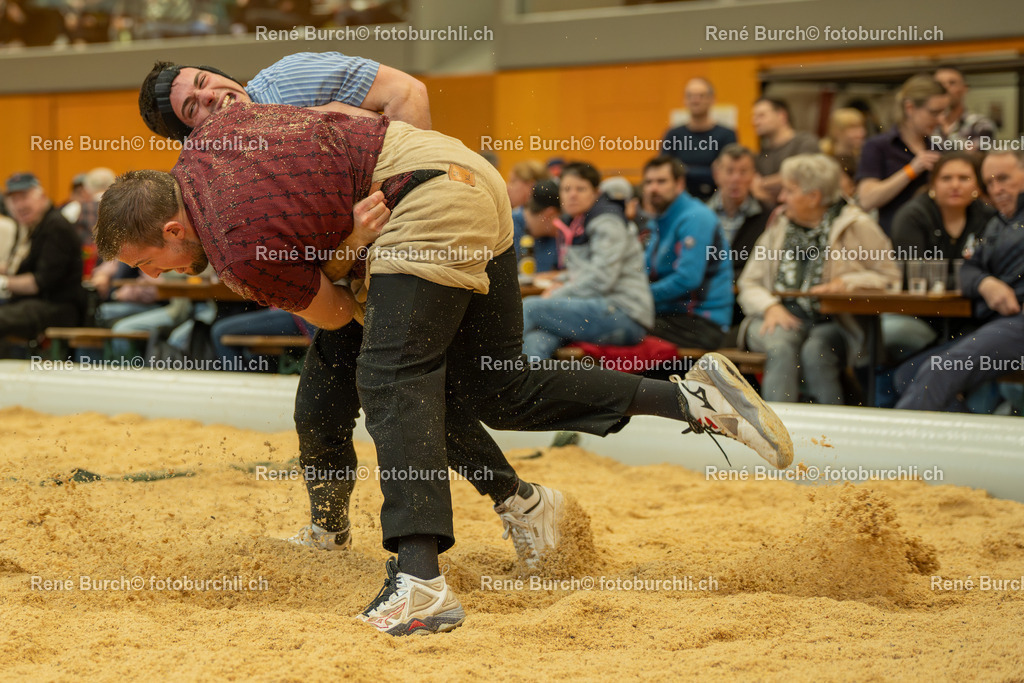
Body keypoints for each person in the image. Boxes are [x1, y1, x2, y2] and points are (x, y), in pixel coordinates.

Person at [94, 102, 792, 636]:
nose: (148, 276)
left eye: (142, 261)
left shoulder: (238, 248)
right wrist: (350, 240)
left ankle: (421, 580)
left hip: (413, 200)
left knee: (390, 377)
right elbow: (342, 115)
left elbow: (337, 315)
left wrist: (347, 251)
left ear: (172, 230)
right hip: (465, 175)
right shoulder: (211, 140)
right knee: (495, 385)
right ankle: (690, 398)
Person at [738, 154, 898, 404]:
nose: (781, 198)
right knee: (781, 345)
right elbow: (749, 283)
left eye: (789, 191)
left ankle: (828, 435)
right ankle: (778, 431)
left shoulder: (856, 225)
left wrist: (847, 283)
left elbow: (890, 278)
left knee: (817, 351)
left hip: (837, 321)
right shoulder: (779, 225)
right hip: (778, 316)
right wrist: (769, 306)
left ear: (813, 196)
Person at [895, 150, 1024, 413]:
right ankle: (968, 444)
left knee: (939, 369)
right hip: (996, 321)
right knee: (908, 374)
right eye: (989, 182)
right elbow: (968, 268)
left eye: (1003, 179)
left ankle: (894, 450)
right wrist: (986, 283)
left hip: (1017, 321)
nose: (996, 189)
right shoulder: (1000, 222)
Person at [138, 51, 430, 143]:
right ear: (195, 137)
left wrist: (409, 200)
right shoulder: (218, 181)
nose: (209, 96)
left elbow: (406, 93)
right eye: (191, 107)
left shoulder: (289, 78)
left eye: (203, 80)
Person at [522, 162, 654, 359]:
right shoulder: (578, 221)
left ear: (596, 192)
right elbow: (585, 271)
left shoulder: (607, 222)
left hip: (624, 315)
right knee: (537, 340)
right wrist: (563, 281)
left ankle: (488, 367)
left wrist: (558, 292)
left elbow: (601, 278)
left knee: (530, 308)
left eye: (580, 189)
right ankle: (528, 387)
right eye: (566, 189)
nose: (572, 195)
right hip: (598, 309)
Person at [883, 152, 996, 362]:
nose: (955, 185)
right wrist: (974, 281)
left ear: (977, 186)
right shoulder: (913, 216)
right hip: (920, 314)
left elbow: (995, 269)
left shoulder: (988, 217)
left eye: (964, 178)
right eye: (946, 178)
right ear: (933, 184)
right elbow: (912, 275)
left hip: (974, 316)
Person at [642, 155, 732, 350]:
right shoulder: (660, 220)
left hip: (702, 322)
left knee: (617, 329)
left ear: (679, 183)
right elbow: (643, 270)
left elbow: (687, 279)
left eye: (661, 181)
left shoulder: (696, 217)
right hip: (668, 315)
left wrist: (639, 295)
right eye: (648, 182)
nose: (653, 188)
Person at [856, 74, 948, 234]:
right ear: (910, 108)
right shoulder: (878, 146)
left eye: (943, 112)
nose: (940, 120)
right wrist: (911, 170)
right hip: (894, 244)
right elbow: (866, 200)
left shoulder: (941, 149)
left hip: (937, 241)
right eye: (934, 112)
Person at [0, 173, 85, 344]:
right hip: (29, 303)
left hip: (58, 307)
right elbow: (17, 268)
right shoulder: (29, 227)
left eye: (24, 197)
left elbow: (38, 283)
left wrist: (3, 283)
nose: (19, 205)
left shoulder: (56, 227)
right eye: (14, 200)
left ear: (42, 196)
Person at [661, 78, 737, 201]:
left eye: (701, 96)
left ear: (712, 99)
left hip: (717, 200)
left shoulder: (727, 135)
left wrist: (684, 170)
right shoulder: (673, 135)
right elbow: (665, 172)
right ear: (684, 100)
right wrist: (709, 171)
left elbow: (728, 174)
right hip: (679, 199)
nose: (695, 100)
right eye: (690, 96)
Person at [707, 143, 771, 282]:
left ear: (753, 175)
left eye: (743, 172)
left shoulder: (768, 216)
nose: (736, 179)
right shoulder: (699, 214)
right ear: (716, 174)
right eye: (729, 171)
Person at [750, 97, 820, 205]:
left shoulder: (804, 142)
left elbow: (804, 175)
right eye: (754, 117)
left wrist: (763, 183)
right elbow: (758, 192)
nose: (755, 122)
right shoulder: (762, 154)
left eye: (761, 116)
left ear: (782, 115)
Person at [934, 66, 997, 150]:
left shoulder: (980, 124)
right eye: (940, 84)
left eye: (952, 83)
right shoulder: (928, 125)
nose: (945, 88)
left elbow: (975, 155)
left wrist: (947, 131)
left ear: (964, 89)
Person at [820, 108, 867, 196]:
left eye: (861, 127)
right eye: (853, 128)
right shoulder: (825, 160)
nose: (860, 133)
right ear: (837, 131)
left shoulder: (862, 157)